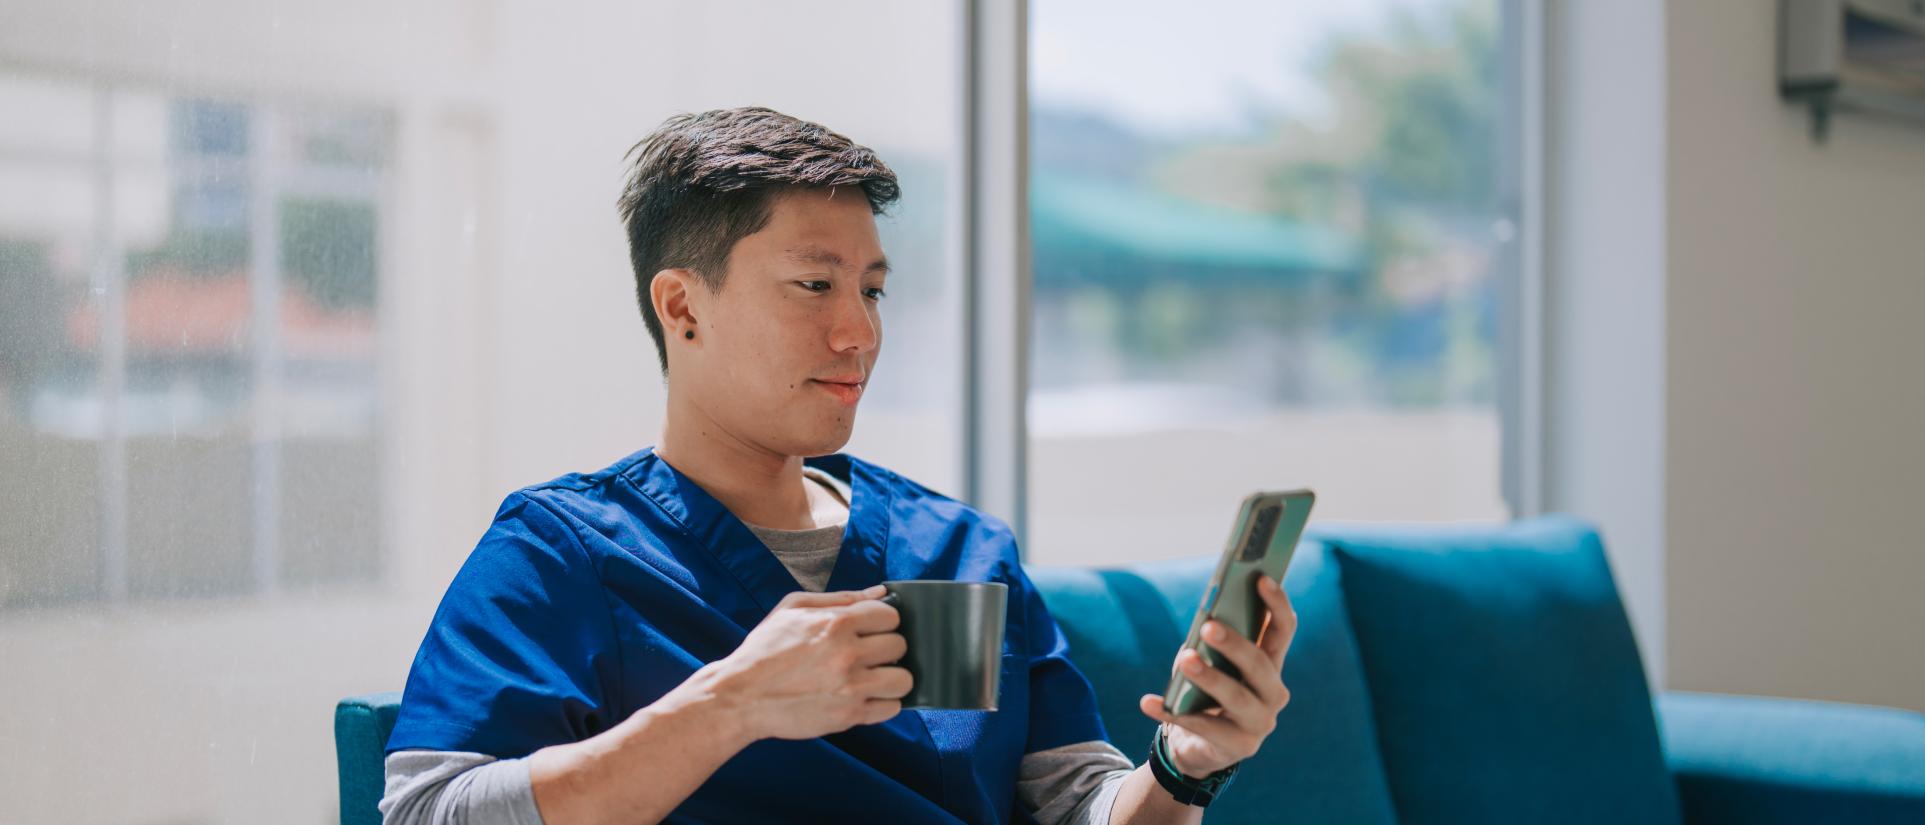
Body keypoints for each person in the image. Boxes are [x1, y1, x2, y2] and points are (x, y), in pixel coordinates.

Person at [378, 107, 1297, 825]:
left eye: (872, 289)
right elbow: (427, 810)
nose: (859, 332)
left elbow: (1071, 803)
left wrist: (1183, 764)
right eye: (814, 285)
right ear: (682, 307)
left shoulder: (957, 551)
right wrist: (729, 703)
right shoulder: (563, 554)